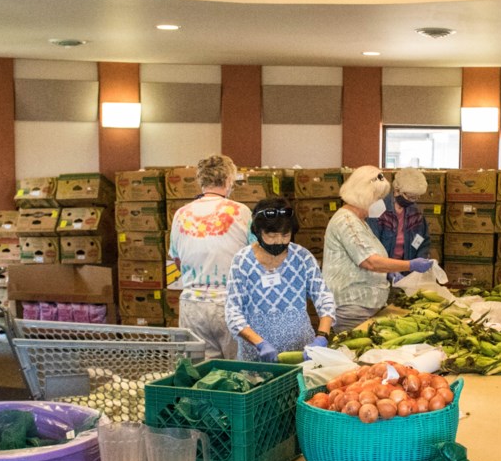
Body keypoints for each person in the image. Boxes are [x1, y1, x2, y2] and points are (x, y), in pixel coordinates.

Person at [323, 165, 433, 332]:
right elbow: (370, 262)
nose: (381, 203)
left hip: (367, 306)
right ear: (365, 196)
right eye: (378, 198)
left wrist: (388, 270)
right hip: (352, 307)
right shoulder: (346, 222)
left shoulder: (360, 221)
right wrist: (409, 265)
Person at [225, 198, 336, 362]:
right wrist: (259, 343)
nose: (279, 241)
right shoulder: (242, 261)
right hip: (256, 356)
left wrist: (322, 336)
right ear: (258, 232)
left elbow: (324, 297)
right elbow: (233, 311)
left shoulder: (302, 257)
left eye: (285, 235)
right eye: (271, 235)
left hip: (301, 352)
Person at [168, 154, 252, 360]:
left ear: (200, 181)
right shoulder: (240, 212)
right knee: (239, 373)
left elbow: (176, 260)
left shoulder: (181, 214)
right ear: (229, 180)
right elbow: (255, 258)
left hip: (192, 304)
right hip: (231, 304)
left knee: (199, 376)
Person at [368, 168, 431, 261]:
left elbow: (423, 240)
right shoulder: (378, 210)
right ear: (397, 190)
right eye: (410, 197)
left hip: (407, 267)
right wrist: (388, 269)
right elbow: (371, 245)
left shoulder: (416, 212)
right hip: (383, 268)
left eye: (416, 197)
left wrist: (420, 260)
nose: (413, 201)